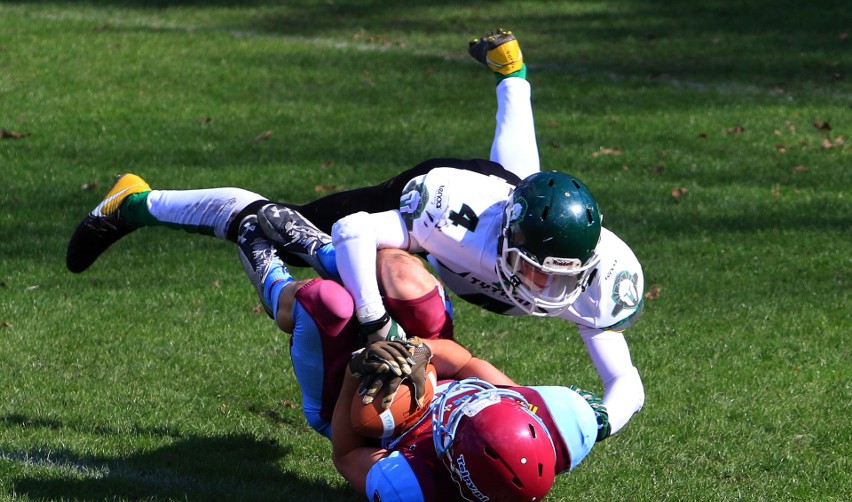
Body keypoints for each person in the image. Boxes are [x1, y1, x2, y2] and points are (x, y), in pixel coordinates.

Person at [65, 30, 644, 437]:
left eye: (560, 273)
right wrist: (373, 320)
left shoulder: (594, 275)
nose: (546, 286)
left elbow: (625, 384)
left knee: (517, 175)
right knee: (280, 221)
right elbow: (355, 229)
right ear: (505, 244)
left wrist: (591, 427)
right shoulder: (451, 215)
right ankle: (133, 201)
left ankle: (513, 73)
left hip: (503, 198)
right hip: (431, 203)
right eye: (536, 267)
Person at [233, 213, 609, 502]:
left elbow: (346, 454)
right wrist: (419, 350)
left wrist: (358, 367)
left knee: (328, 304)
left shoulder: (416, 489)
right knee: (404, 276)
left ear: (454, 460)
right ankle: (323, 250)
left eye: (459, 421)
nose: (456, 406)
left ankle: (272, 282)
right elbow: (464, 363)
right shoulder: (543, 424)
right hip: (425, 367)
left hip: (349, 409)